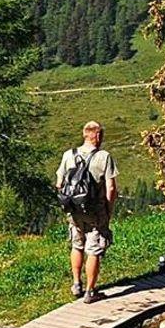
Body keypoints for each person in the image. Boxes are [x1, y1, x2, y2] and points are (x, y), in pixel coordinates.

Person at [58, 120, 118, 304]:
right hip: (95, 210)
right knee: (94, 249)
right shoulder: (104, 157)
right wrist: (108, 209)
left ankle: (77, 284)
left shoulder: (69, 155)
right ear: (97, 136)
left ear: (84, 135)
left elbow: (59, 184)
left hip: (74, 210)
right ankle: (90, 292)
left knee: (77, 245)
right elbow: (111, 188)